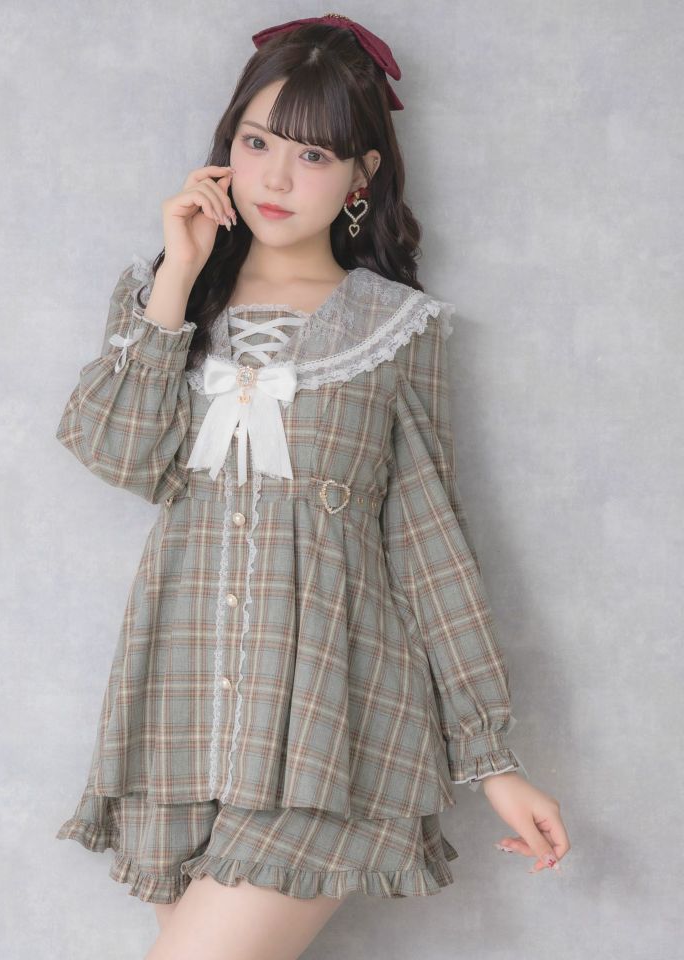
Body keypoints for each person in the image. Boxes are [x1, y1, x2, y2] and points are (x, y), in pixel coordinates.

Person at [54, 15, 571, 960]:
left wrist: (492, 760)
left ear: (360, 175)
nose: (278, 179)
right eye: (257, 143)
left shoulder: (394, 330)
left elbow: (429, 545)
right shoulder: (165, 299)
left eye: (313, 154)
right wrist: (177, 278)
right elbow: (119, 455)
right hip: (181, 712)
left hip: (336, 722)